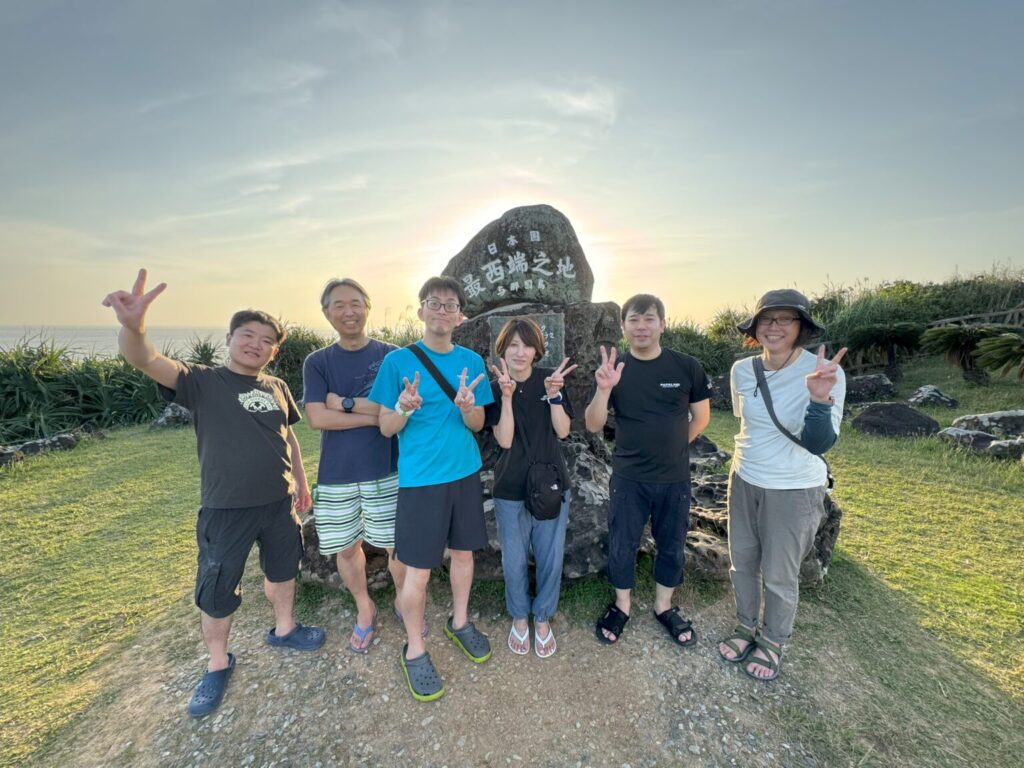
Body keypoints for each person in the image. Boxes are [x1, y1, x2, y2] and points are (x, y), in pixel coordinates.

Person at [102, 269, 324, 718]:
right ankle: (217, 662)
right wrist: (134, 327)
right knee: (219, 587)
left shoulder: (277, 387)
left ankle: (285, 628)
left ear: (274, 351)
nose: (256, 344)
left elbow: (288, 437)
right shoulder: (202, 381)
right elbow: (146, 359)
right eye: (248, 335)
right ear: (229, 339)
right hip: (226, 508)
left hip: (279, 503)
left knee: (284, 570)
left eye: (266, 340)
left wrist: (301, 483)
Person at [368, 276, 494, 701]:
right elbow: (386, 428)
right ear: (421, 310)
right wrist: (402, 407)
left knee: (463, 554)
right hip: (421, 481)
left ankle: (459, 621)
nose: (442, 310)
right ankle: (415, 648)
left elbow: (478, 424)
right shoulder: (397, 362)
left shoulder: (471, 362)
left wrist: (468, 407)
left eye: (450, 305)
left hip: (465, 474)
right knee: (417, 571)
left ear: (461, 316)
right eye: (434, 303)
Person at [717, 289, 846, 682]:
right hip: (744, 478)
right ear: (755, 327)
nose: (774, 327)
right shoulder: (742, 371)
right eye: (766, 319)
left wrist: (819, 400)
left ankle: (772, 640)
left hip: (794, 488)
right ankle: (745, 625)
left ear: (800, 326)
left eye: (785, 319)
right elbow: (747, 424)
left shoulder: (825, 372)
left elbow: (819, 443)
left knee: (779, 572)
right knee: (742, 561)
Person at [585, 294, 711, 649]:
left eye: (649, 319)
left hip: (674, 478)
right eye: (634, 320)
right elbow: (593, 424)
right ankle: (622, 605)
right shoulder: (616, 369)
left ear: (662, 324)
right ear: (623, 327)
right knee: (622, 543)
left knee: (672, 544)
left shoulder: (686, 366)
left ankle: (663, 606)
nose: (641, 327)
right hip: (628, 478)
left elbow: (701, 417)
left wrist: (673, 448)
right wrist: (604, 389)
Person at [302, 278, 408, 654]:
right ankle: (365, 607)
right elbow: (317, 418)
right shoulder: (317, 362)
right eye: (339, 305)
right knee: (346, 548)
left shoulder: (393, 355)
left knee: (398, 546)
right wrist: (375, 416)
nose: (348, 312)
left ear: (367, 307)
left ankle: (404, 600)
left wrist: (344, 404)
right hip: (337, 473)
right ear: (326, 312)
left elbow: (401, 409)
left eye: (355, 303)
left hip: (388, 468)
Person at [484, 318, 577, 658]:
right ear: (502, 350)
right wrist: (507, 398)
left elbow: (563, 431)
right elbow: (504, 440)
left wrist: (554, 397)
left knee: (551, 555)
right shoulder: (495, 388)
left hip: (551, 483)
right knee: (513, 558)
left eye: (526, 345)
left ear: (537, 350)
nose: (520, 352)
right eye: (513, 345)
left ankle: (542, 617)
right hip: (510, 486)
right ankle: (520, 616)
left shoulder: (550, 380)